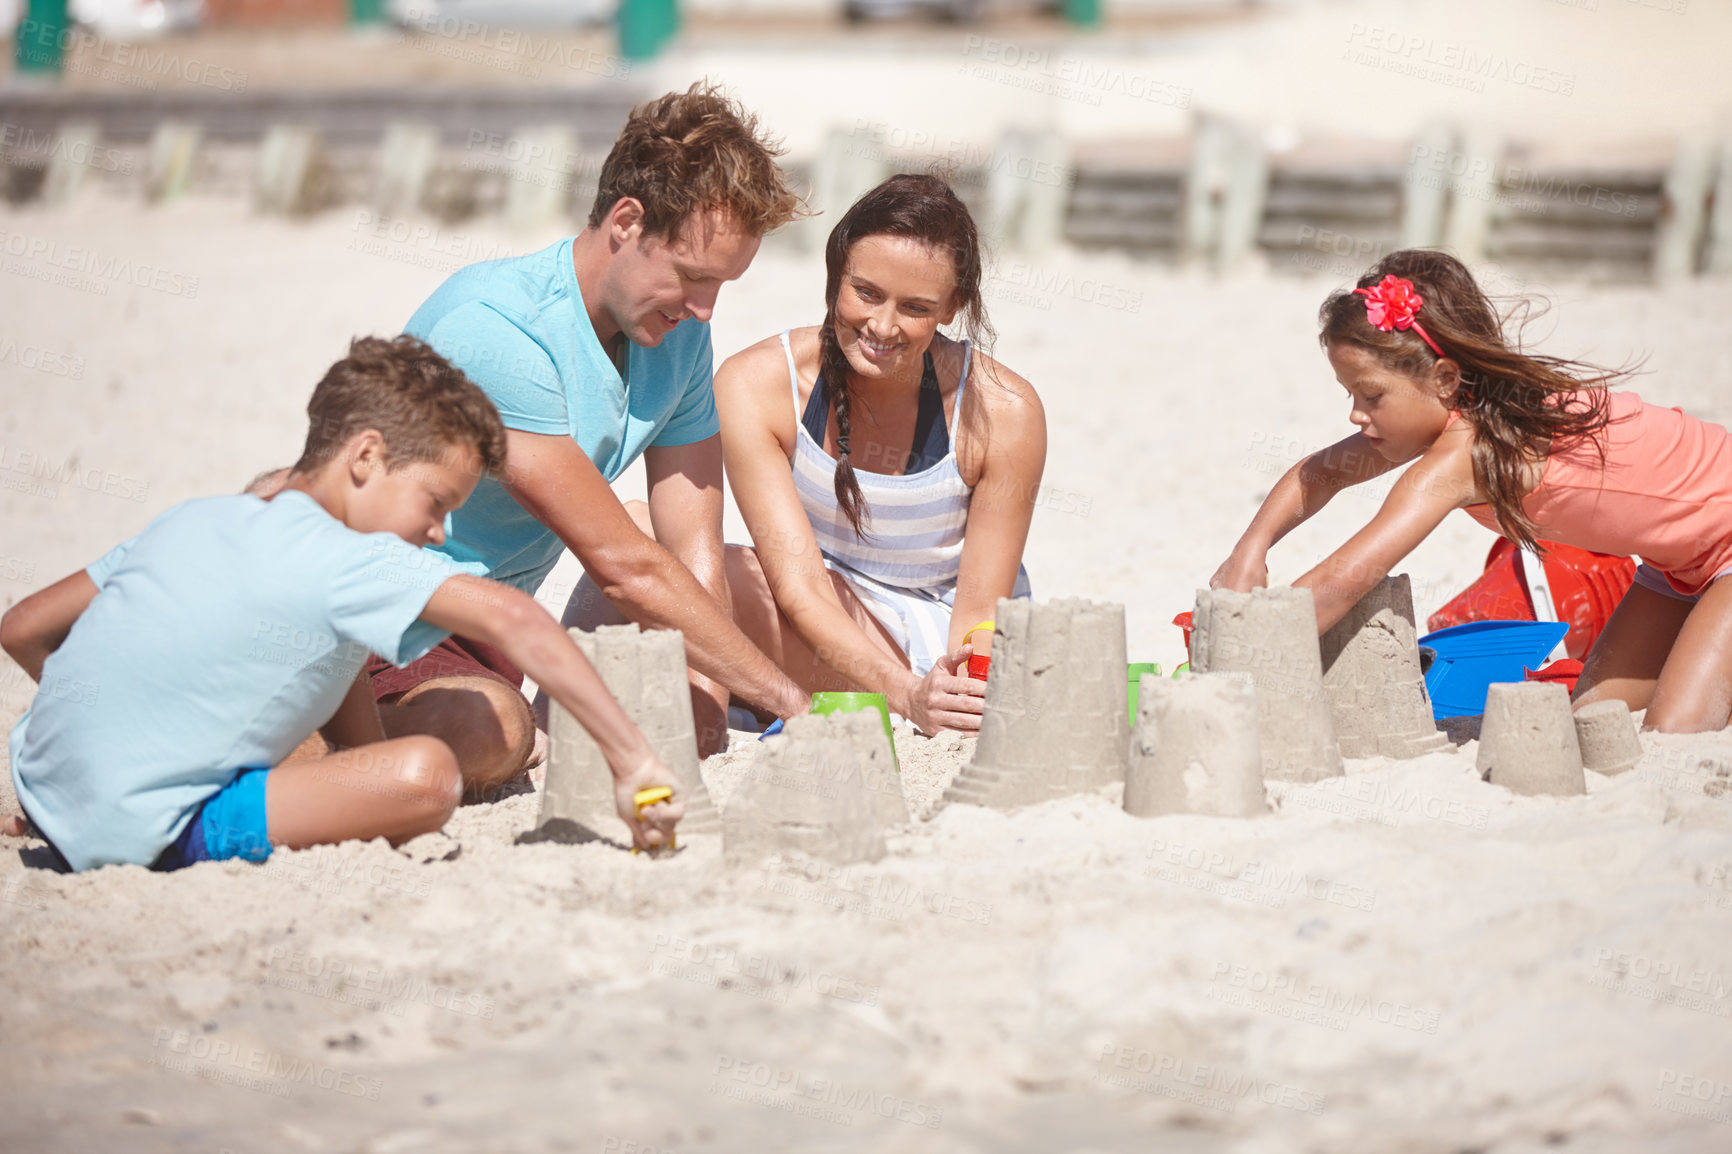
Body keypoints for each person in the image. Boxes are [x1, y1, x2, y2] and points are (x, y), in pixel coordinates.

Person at [252, 84, 810, 787]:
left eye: (722, 285)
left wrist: (706, 699)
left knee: (649, 552)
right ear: (627, 221)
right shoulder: (500, 329)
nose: (704, 310)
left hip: (487, 629)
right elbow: (623, 567)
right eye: (693, 276)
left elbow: (688, 546)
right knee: (499, 731)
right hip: (375, 619)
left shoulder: (677, 337)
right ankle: (291, 744)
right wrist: (790, 702)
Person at [0, 337, 682, 872]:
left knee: (352, 700)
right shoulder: (347, 556)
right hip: (136, 832)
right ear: (365, 458)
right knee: (425, 776)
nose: (437, 534)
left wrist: (97, 743)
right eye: (436, 503)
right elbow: (515, 617)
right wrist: (632, 761)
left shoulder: (197, 518)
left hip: (40, 791)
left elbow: (23, 627)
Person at [1212, 249, 1732, 734]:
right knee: (1594, 726)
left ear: (1444, 378)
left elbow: (1347, 578)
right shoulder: (1441, 418)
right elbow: (1322, 473)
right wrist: (1250, 549)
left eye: (1371, 395)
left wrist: (1245, 650)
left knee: (1675, 735)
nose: (1355, 413)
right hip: (1675, 568)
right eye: (1350, 394)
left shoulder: (1468, 452)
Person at [713, 173, 1047, 734]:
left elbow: (980, 616)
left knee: (699, 572)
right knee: (648, 533)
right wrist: (902, 693)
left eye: (915, 307)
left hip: (935, 653)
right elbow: (800, 587)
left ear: (952, 307)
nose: (882, 326)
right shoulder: (756, 383)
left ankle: (752, 701)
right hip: (819, 615)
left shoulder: (1005, 411)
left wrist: (937, 692)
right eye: (866, 293)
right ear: (835, 273)